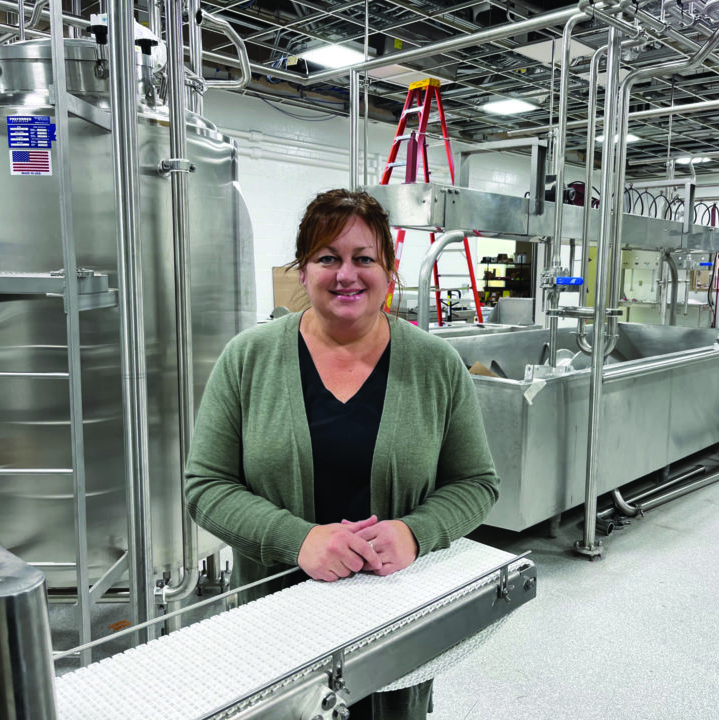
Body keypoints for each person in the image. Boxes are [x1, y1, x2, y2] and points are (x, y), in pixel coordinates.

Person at [184, 188, 500, 720]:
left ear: (389, 272)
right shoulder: (249, 359)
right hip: (274, 621)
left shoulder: (436, 365)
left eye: (363, 259)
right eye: (327, 258)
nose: (346, 274)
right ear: (303, 271)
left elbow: (475, 482)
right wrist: (298, 539)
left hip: (394, 620)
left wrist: (414, 532)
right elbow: (207, 486)